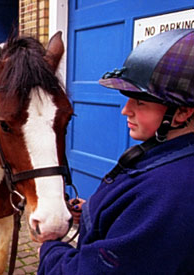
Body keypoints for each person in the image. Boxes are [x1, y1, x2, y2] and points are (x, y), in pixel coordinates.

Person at [38, 29, 194, 274]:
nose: (125, 110)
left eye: (140, 102)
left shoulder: (166, 195)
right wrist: (95, 211)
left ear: (183, 112)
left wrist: (49, 251)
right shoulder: (171, 155)